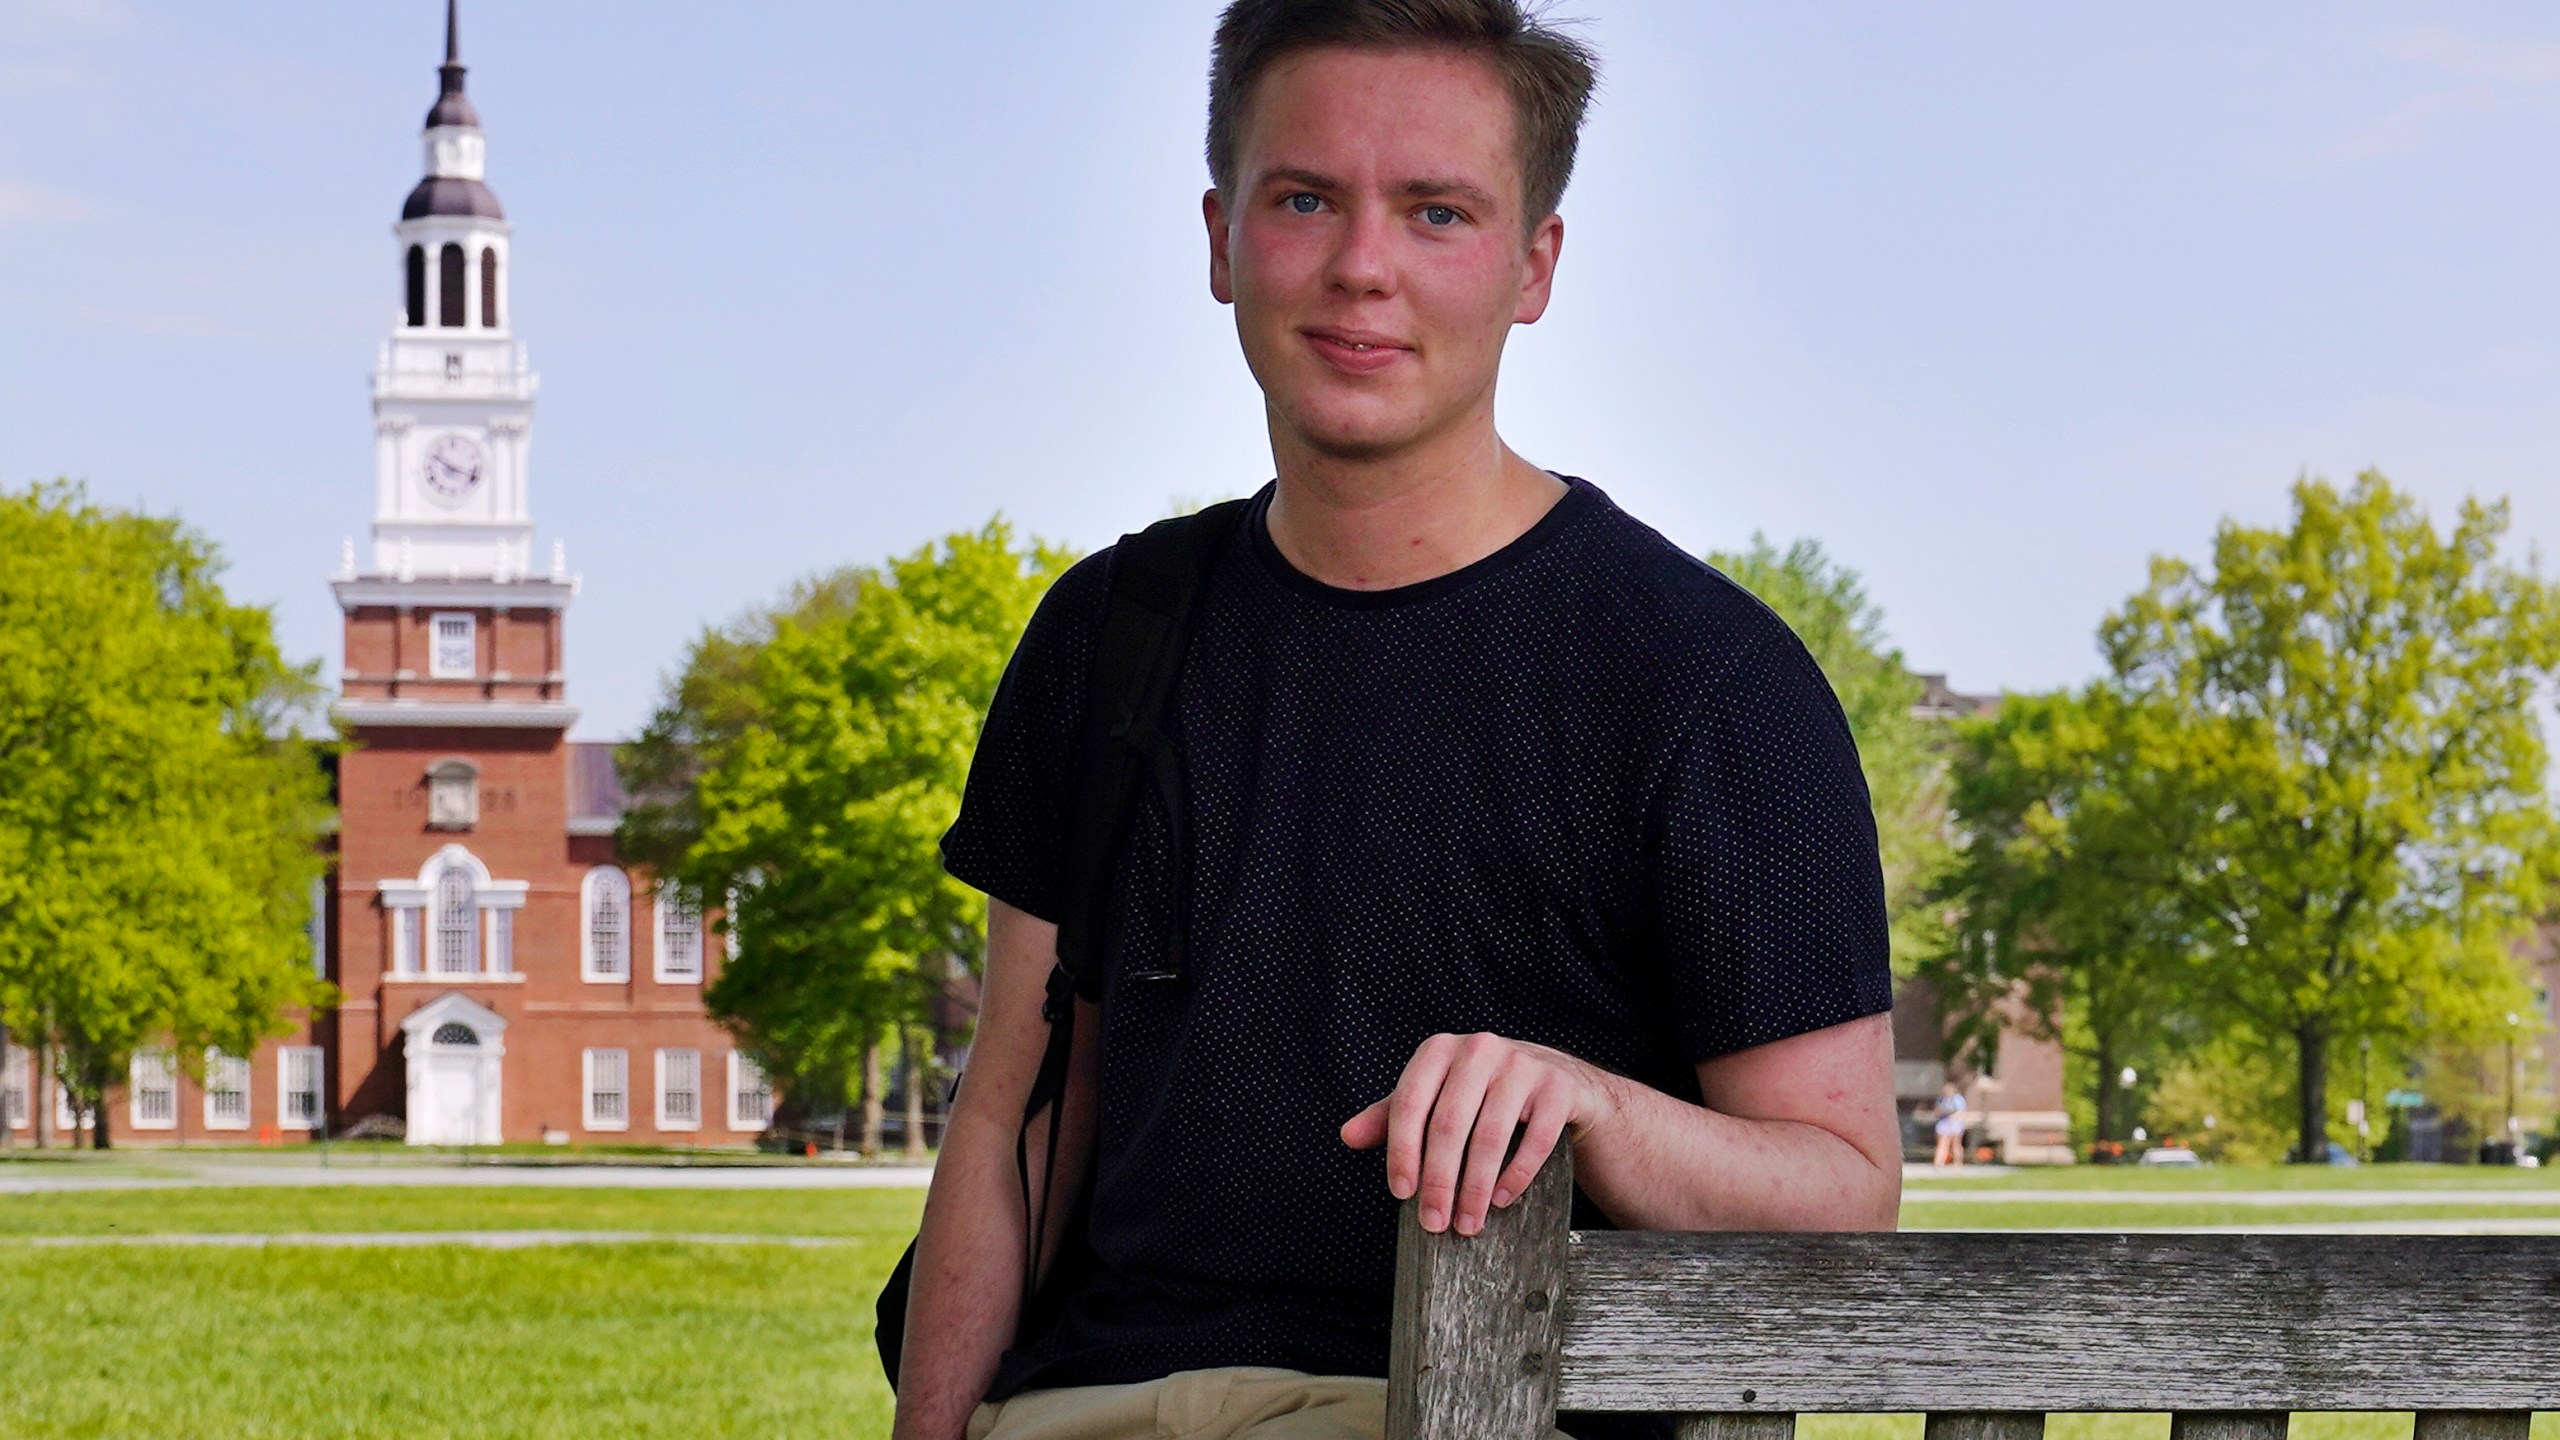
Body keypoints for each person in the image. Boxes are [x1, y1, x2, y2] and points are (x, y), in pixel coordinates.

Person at [892, 4, 1901, 1439]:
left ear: (1534, 265)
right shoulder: (1108, 636)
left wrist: (1594, 1110)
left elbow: (1846, 1195)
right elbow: (1014, 1118)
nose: (1362, 266)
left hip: (1457, 1409)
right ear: (1221, 240)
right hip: (1091, 1407)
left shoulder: (1707, 682)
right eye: (1304, 200)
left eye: (1437, 212)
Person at [1932, 1081, 1968, 1168]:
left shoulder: (1958, 1099)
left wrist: (1953, 1117)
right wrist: (1940, 1112)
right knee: (1942, 1143)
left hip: (1955, 1123)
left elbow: (1961, 1111)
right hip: (1944, 1123)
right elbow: (1936, 1111)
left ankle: (1958, 1163)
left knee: (1956, 1144)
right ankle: (1939, 1163)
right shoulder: (1941, 1099)